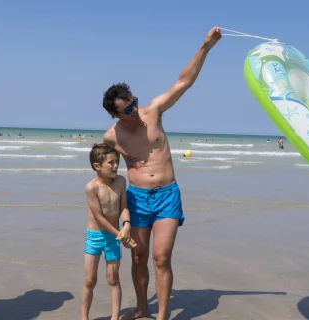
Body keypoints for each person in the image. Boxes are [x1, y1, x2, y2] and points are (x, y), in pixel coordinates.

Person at [101, 26, 222, 320]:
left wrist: (206, 46)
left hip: (168, 195)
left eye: (134, 101)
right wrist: (109, 213)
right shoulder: (111, 138)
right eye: (128, 108)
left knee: (161, 258)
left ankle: (163, 315)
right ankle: (143, 309)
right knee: (139, 256)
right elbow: (108, 174)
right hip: (137, 199)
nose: (135, 108)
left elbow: (183, 83)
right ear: (115, 114)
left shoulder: (153, 111)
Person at [82, 143, 137, 320]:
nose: (115, 166)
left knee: (113, 279)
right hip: (95, 237)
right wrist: (120, 236)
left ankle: (115, 317)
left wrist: (127, 225)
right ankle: (84, 317)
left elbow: (123, 207)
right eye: (111, 162)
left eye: (117, 162)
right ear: (97, 166)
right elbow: (99, 218)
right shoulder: (92, 187)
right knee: (90, 280)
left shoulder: (121, 181)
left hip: (115, 237)